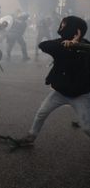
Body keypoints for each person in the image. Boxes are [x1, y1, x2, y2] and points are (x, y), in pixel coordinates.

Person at [15, 16, 90, 145]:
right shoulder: (60, 43)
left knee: (87, 127)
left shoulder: (86, 46)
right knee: (41, 113)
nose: (61, 28)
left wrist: (78, 45)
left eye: (64, 25)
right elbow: (43, 45)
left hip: (80, 95)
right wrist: (66, 45)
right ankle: (31, 137)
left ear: (76, 30)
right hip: (59, 92)